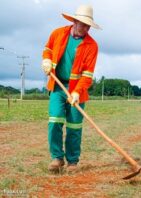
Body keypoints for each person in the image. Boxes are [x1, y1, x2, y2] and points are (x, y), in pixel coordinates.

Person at [41, 5, 100, 173]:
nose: (86, 28)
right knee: (55, 122)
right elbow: (47, 49)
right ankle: (57, 158)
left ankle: (72, 162)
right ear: (74, 21)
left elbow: (87, 76)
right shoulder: (57, 33)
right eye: (83, 24)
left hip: (77, 90)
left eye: (88, 25)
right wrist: (46, 60)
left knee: (74, 127)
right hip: (57, 86)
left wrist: (76, 92)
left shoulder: (92, 46)